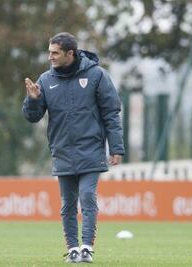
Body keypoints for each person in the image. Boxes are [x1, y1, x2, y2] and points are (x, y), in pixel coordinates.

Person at [22, 32, 124, 263]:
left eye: (55, 53)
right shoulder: (46, 80)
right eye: (49, 52)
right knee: (68, 204)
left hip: (91, 150)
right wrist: (34, 99)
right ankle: (72, 249)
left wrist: (116, 148)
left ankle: (87, 247)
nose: (50, 57)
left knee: (87, 197)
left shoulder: (97, 76)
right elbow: (32, 117)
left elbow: (112, 113)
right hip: (62, 152)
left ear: (70, 53)